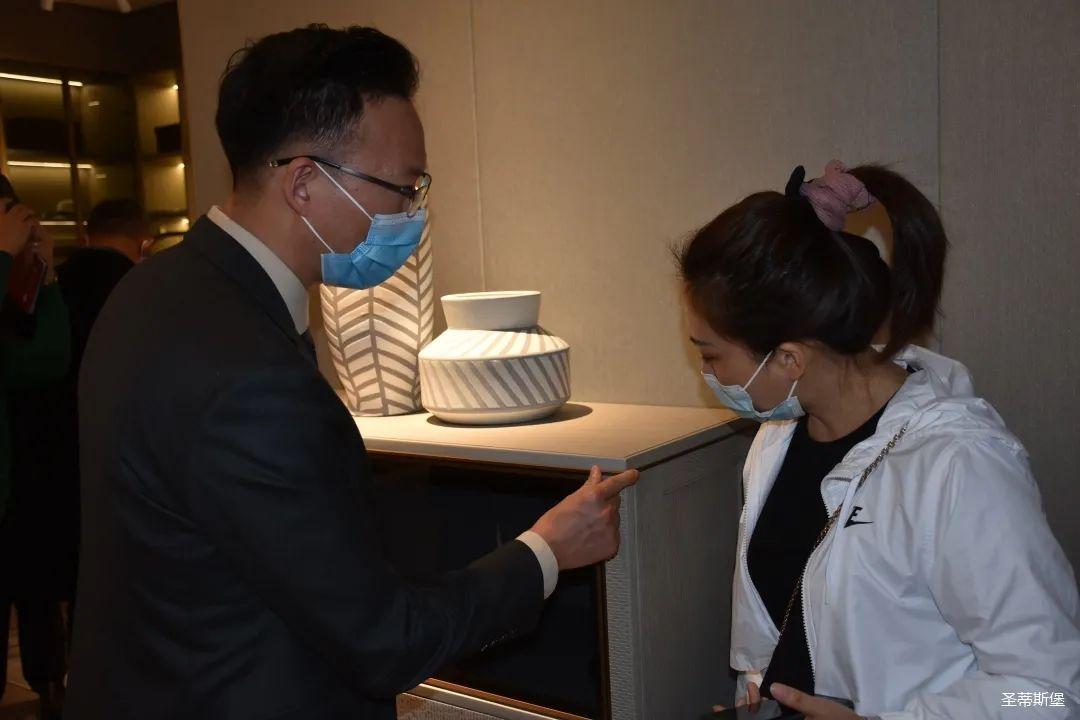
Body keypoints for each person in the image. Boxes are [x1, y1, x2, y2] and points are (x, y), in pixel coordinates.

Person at [66, 25, 638, 720]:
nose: (412, 214)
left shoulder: (151, 290)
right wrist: (546, 551)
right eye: (403, 187)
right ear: (304, 183)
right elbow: (384, 641)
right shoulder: (252, 378)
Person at [682, 161, 1080, 719]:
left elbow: (1050, 692)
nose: (708, 375)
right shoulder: (776, 441)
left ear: (791, 359)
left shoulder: (958, 466)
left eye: (711, 356)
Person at [2, 198, 154, 718]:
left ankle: (49, 686)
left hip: (29, 464)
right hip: (98, 465)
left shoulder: (50, 284)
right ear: (143, 244)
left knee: (36, 584)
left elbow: (44, 362)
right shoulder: (141, 292)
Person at [0, 193, 71, 719]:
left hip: (27, 484)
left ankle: (49, 687)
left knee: (39, 598)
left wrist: (41, 274)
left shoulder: (18, 290)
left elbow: (47, 359)